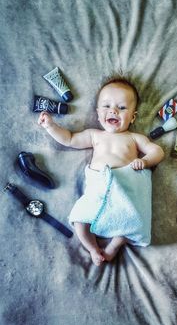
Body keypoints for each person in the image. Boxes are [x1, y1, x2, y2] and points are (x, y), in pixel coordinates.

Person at [38, 77, 164, 265]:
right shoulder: (94, 135)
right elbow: (69, 139)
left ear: (133, 117)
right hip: (99, 186)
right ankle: (93, 249)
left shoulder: (135, 137)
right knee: (79, 220)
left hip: (126, 187)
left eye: (121, 108)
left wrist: (144, 162)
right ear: (98, 114)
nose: (113, 110)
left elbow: (157, 151)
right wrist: (51, 126)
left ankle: (113, 247)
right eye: (106, 106)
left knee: (128, 222)